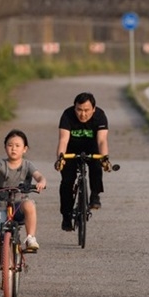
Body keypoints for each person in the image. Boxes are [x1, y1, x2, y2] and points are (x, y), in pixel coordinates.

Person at [0, 129, 47, 290]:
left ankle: (30, 238)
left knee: (30, 204)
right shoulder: (1, 164)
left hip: (19, 206)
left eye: (17, 145)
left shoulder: (27, 165)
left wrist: (41, 182)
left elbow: (39, 176)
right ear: (5, 147)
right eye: (10, 145)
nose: (13, 148)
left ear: (25, 149)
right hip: (1, 207)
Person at [54, 91, 111, 231]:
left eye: (86, 110)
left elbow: (102, 140)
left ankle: (95, 195)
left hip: (92, 147)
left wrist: (105, 159)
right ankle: (66, 216)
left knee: (97, 165)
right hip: (71, 149)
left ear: (94, 109)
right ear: (74, 108)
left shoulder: (100, 116)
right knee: (67, 182)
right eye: (79, 110)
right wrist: (60, 158)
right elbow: (63, 140)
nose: (83, 114)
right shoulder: (67, 115)